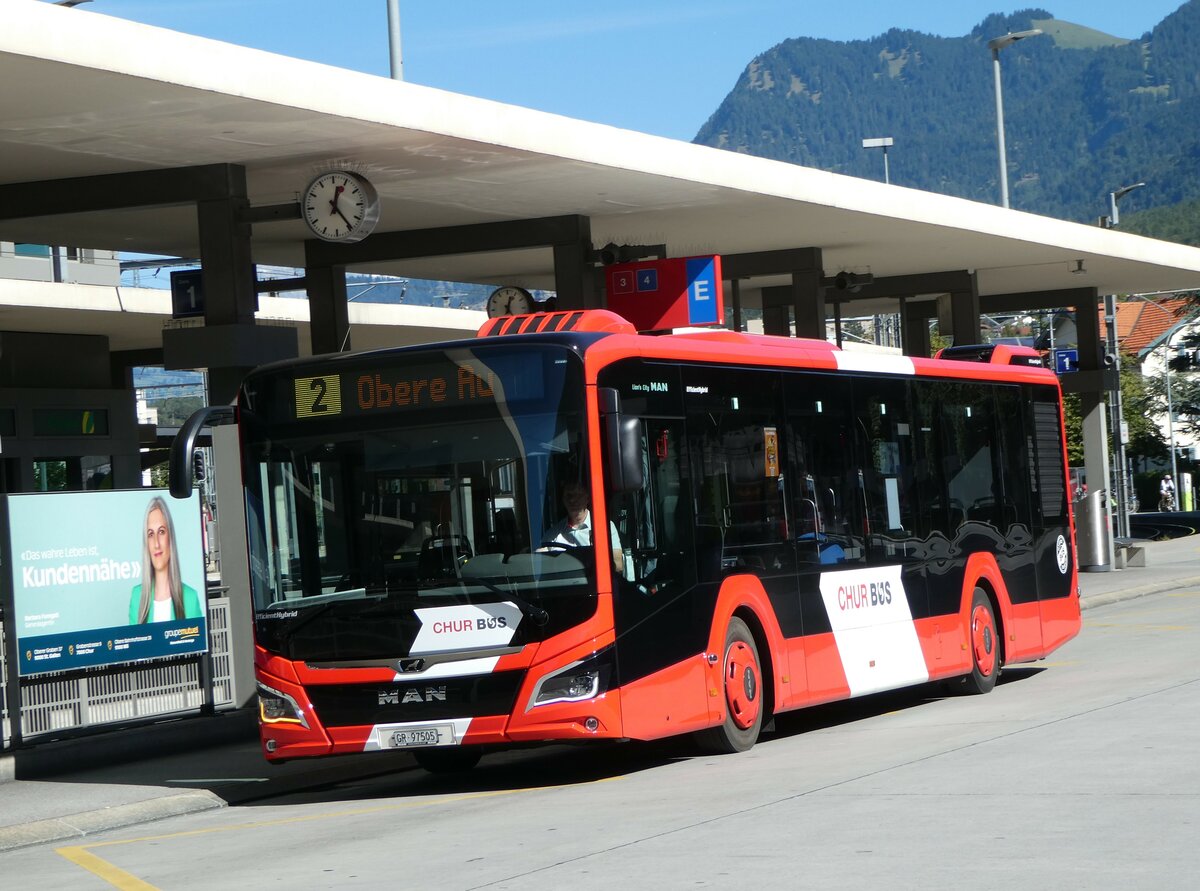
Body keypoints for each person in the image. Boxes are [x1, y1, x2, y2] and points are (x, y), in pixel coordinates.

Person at [129, 496, 204, 624]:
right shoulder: (137, 597)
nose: (156, 543)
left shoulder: (190, 598)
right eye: (150, 534)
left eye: (162, 532)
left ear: (171, 537)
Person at [540, 481, 623, 574]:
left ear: (587, 498)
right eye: (569, 496)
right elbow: (538, 563)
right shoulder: (553, 534)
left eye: (578, 495)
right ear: (563, 500)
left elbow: (618, 565)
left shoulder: (605, 527)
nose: (572, 500)